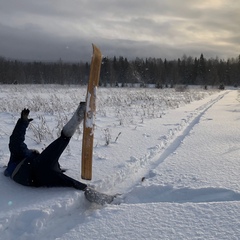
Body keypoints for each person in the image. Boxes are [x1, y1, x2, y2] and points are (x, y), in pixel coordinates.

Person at [4, 102, 88, 191]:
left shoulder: (24, 157)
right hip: (33, 172)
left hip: (38, 178)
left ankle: (86, 190)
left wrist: (22, 122)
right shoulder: (21, 156)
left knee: (65, 180)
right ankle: (75, 121)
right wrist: (22, 123)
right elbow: (16, 141)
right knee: (59, 146)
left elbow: (15, 141)